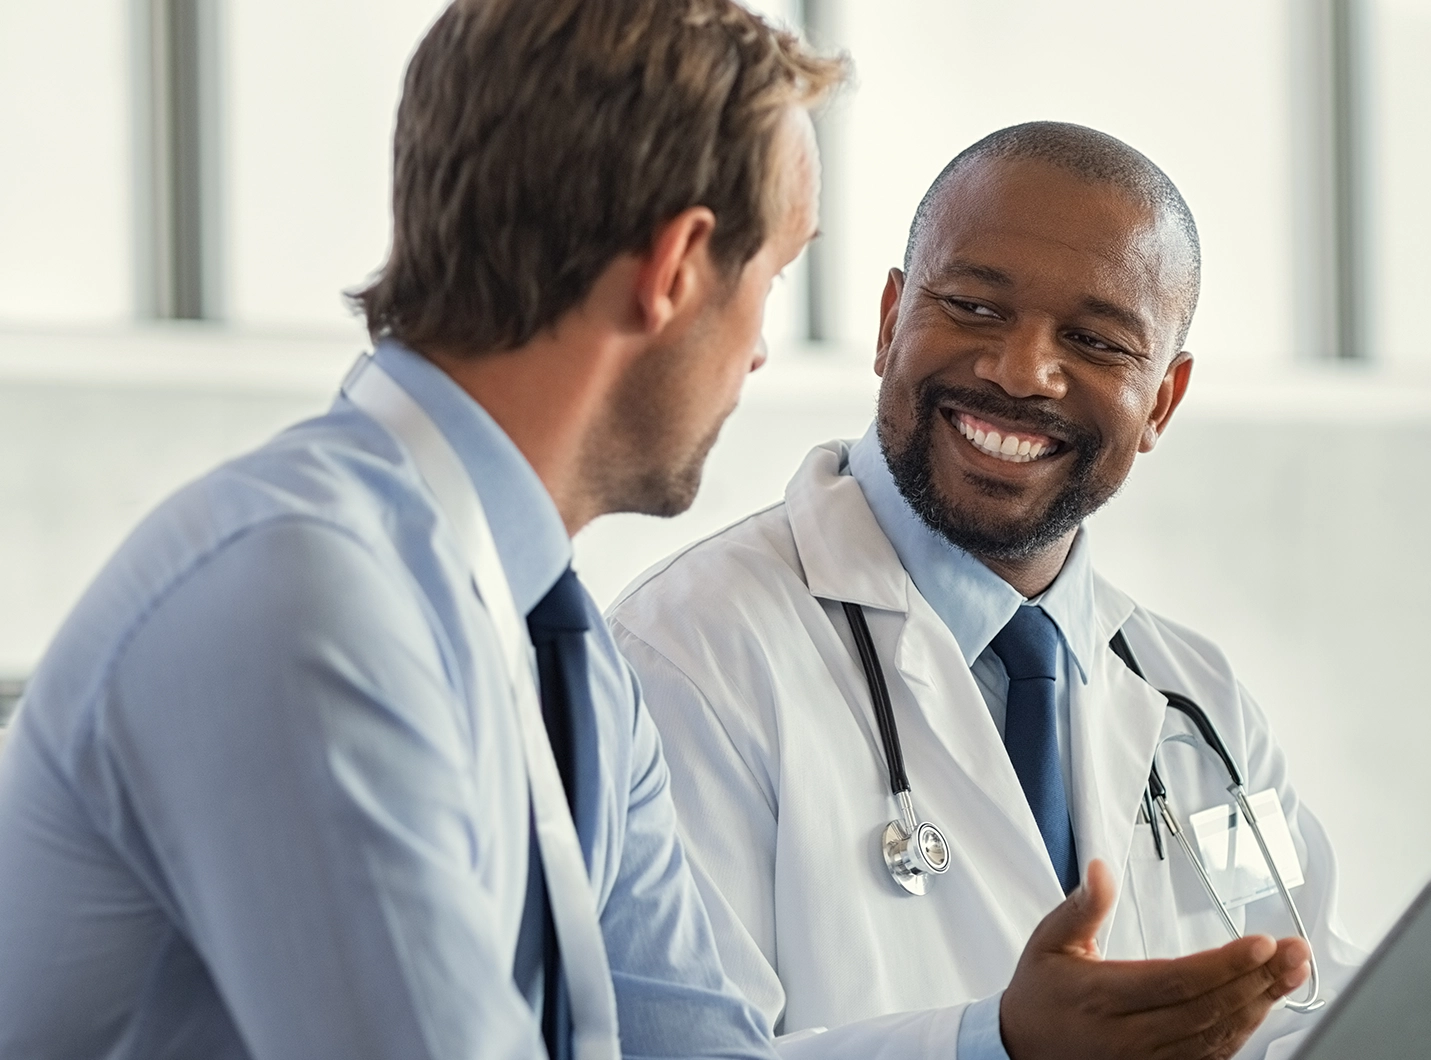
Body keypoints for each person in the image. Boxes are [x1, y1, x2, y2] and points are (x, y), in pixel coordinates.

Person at [0, 1, 837, 1057]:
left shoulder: (569, 662)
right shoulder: (302, 598)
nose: (762, 349)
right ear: (677, 267)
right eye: (774, 277)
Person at [604, 122, 1365, 1060]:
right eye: (973, 307)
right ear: (890, 323)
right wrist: (991, 1047)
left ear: (1162, 401)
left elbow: (1300, 999)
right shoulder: (690, 653)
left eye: (1094, 340)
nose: (1021, 372)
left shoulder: (1198, 706)